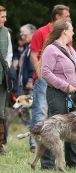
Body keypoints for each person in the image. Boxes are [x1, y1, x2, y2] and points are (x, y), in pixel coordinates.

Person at [30, 4, 72, 169]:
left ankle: (60, 156)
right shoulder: (41, 32)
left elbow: (70, 56)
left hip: (61, 83)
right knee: (41, 112)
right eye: (66, 16)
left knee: (60, 116)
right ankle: (36, 145)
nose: (69, 18)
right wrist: (40, 75)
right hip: (44, 79)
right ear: (57, 17)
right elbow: (34, 54)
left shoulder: (67, 32)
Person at [41, 20, 76, 169]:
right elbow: (45, 73)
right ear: (64, 31)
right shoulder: (51, 50)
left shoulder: (71, 49)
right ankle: (47, 165)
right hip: (57, 94)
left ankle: (72, 163)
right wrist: (64, 85)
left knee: (72, 128)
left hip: (72, 95)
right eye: (72, 29)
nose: (74, 32)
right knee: (53, 129)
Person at [18, 24, 36, 152]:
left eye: (24, 33)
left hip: (31, 86)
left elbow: (33, 65)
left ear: (32, 34)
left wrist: (30, 79)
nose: (22, 35)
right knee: (27, 115)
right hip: (24, 86)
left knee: (33, 114)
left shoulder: (33, 48)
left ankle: (34, 144)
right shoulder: (26, 48)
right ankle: (33, 142)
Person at [0, 5, 13, 154]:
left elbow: (9, 54)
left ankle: (0, 145)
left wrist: (6, 69)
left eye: (5, 16)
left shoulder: (6, 33)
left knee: (1, 111)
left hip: (2, 77)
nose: (5, 19)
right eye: (2, 16)